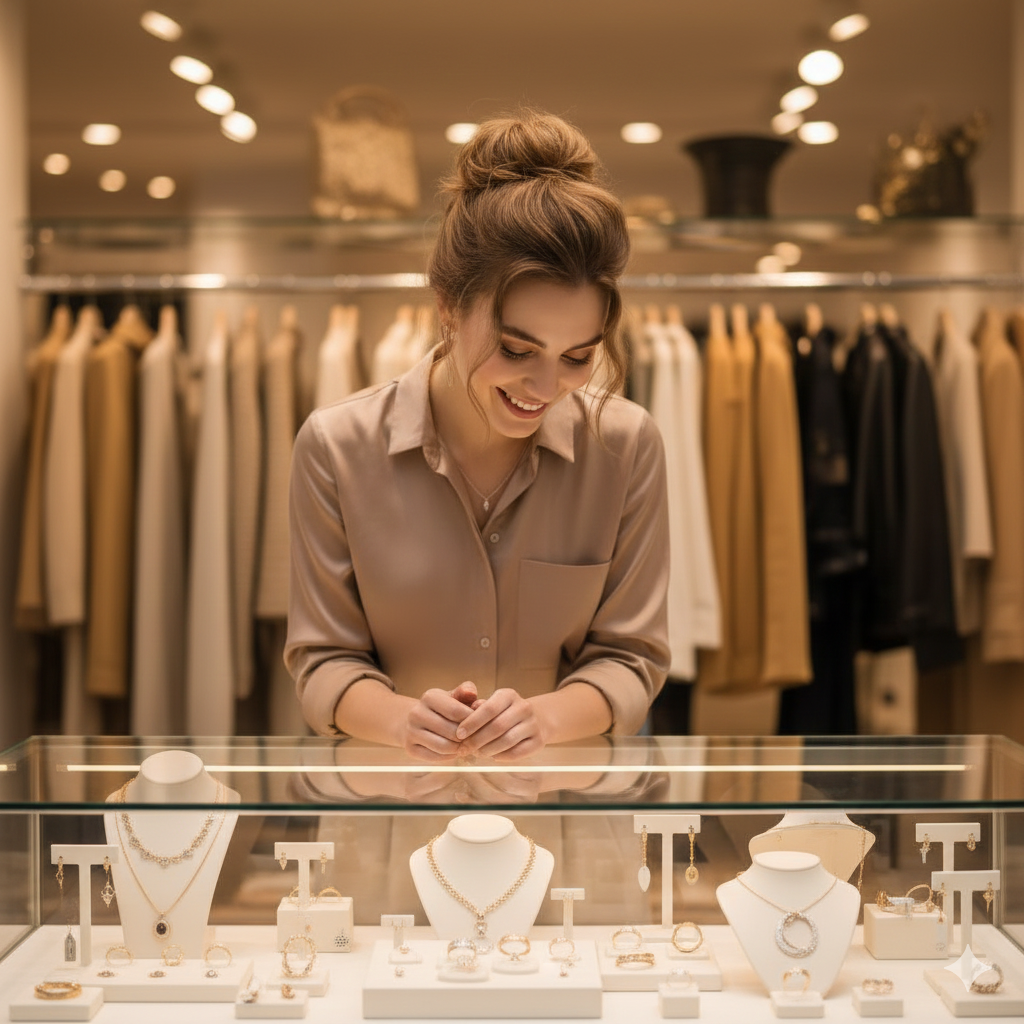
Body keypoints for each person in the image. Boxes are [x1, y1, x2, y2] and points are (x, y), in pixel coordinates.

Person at [285, 110, 670, 761]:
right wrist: (400, 721)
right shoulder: (336, 447)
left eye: (578, 356)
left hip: (566, 823)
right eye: (517, 348)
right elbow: (323, 658)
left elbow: (632, 659)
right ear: (446, 307)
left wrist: (545, 721)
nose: (545, 387)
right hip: (391, 825)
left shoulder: (627, 448)